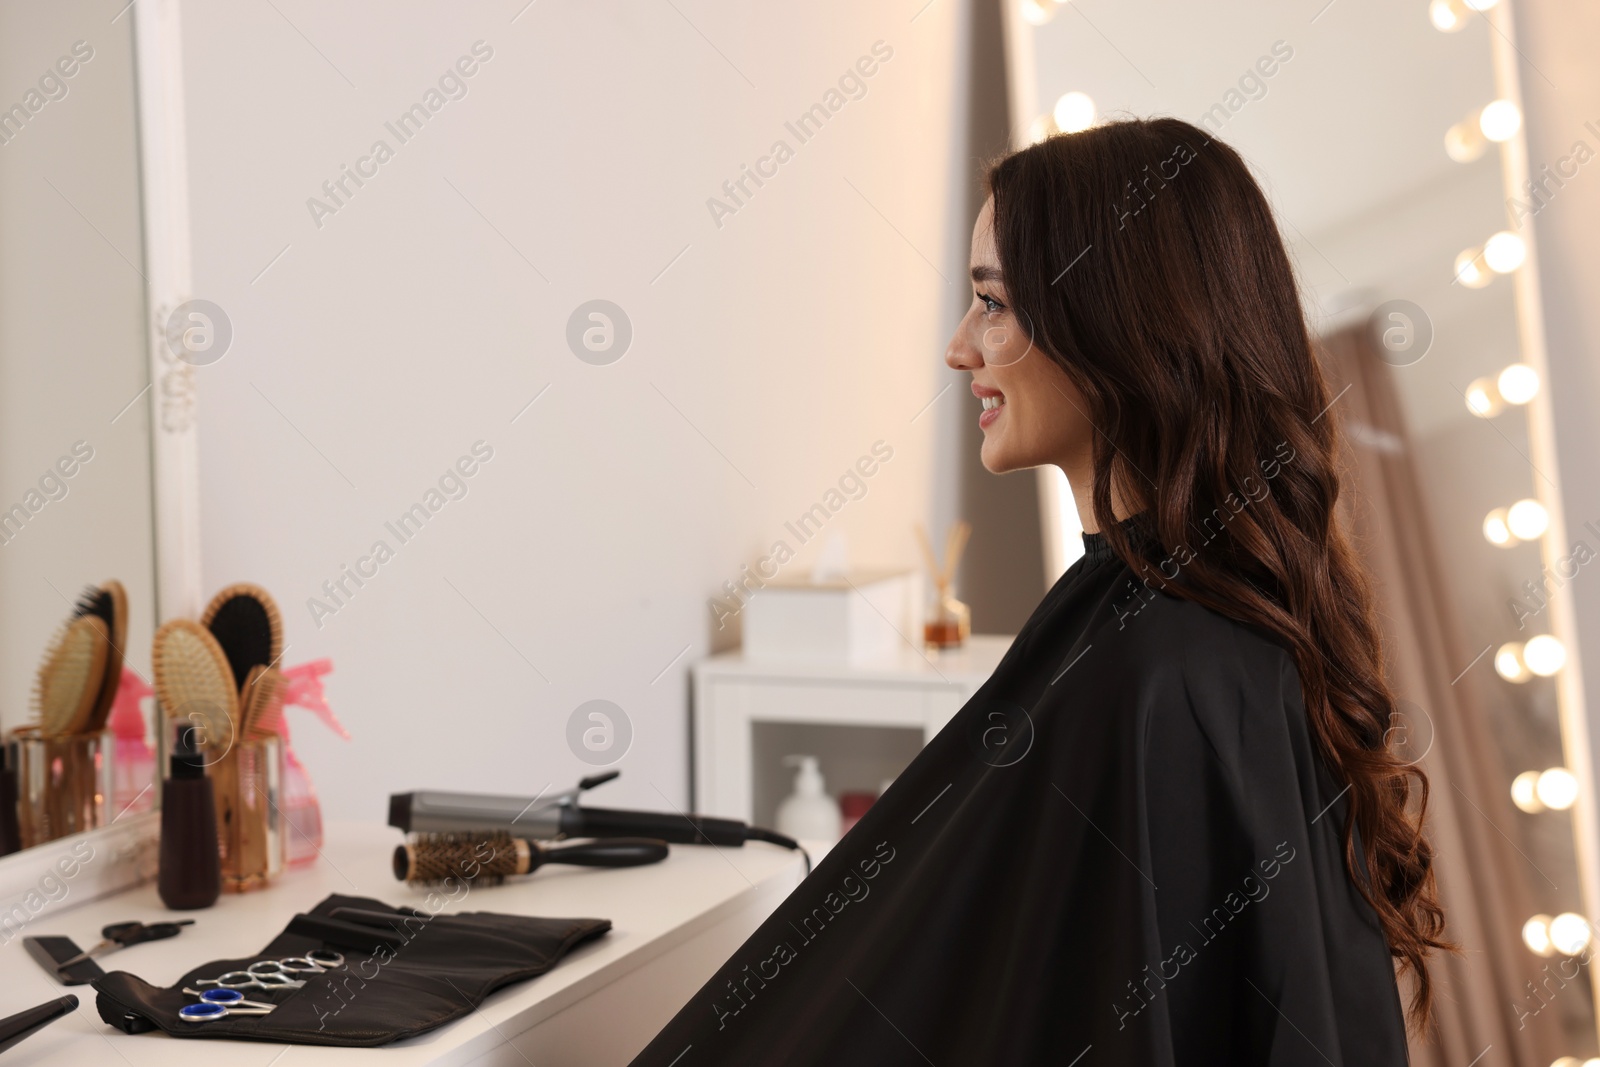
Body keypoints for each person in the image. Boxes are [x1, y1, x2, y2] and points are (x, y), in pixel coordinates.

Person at [629, 117, 1446, 1066]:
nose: (957, 349)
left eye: (994, 305)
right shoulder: (1163, 631)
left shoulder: (1156, 672)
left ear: (1119, 320)